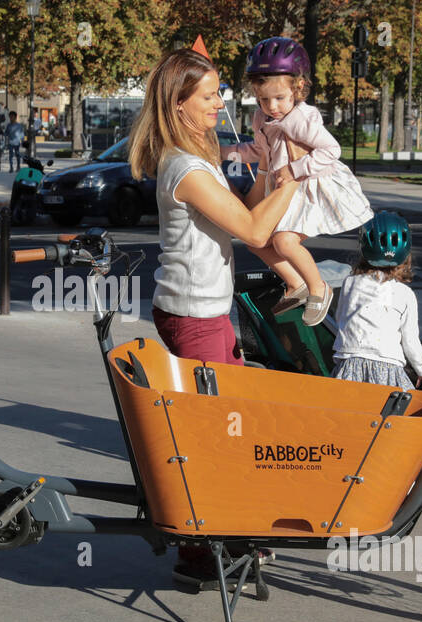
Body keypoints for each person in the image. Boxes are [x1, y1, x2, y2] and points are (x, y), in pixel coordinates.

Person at [129, 47, 303, 590]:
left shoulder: (195, 159)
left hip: (205, 312)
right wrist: (298, 174)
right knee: (215, 438)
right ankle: (201, 553)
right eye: (208, 95)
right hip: (194, 317)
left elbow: (243, 214)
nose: (219, 102)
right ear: (179, 104)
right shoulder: (184, 168)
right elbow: (254, 233)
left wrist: (275, 172)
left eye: (219, 92)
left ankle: (214, 540)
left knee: (222, 429)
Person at [221, 36, 373, 323]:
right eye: (264, 99)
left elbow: (331, 150)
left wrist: (295, 168)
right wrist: (223, 151)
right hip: (281, 189)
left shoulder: (302, 119)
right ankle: (296, 283)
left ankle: (319, 287)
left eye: (279, 98)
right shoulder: (262, 119)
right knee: (256, 242)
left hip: (308, 187)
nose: (272, 106)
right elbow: (256, 151)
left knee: (284, 242)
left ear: (298, 87)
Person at [332, 212, 422, 390]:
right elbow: (410, 341)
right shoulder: (405, 294)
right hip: (388, 368)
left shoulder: (350, 283)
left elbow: (340, 319)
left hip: (350, 365)